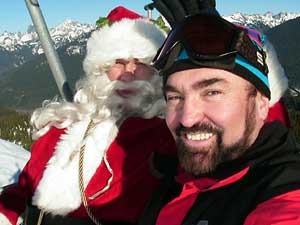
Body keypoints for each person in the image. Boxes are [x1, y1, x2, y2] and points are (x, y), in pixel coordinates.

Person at [0, 6, 177, 225]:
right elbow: (22, 189)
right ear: (100, 70)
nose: (128, 74)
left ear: (157, 71)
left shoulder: (166, 136)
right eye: (118, 62)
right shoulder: (60, 127)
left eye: (141, 63)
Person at [139, 13, 300, 225]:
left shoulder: (284, 194)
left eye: (212, 93)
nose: (187, 118)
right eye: (175, 97)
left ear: (262, 105)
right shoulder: (177, 177)